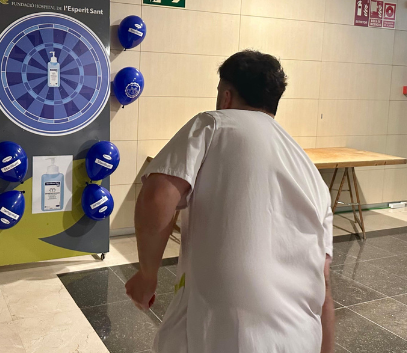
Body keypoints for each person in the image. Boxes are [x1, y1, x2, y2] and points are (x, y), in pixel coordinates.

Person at [125, 50, 334, 353]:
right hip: (300, 336)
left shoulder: (213, 124)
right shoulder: (309, 171)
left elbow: (158, 194)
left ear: (226, 96)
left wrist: (147, 276)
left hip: (221, 330)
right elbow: (323, 279)